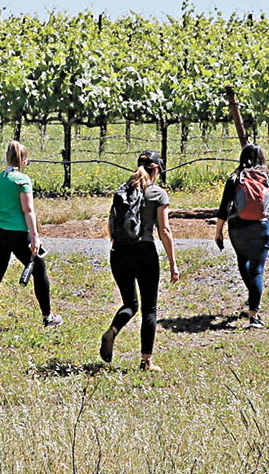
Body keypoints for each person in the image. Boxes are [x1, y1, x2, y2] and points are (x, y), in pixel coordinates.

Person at [98, 149, 175, 372]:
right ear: (157, 169)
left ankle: (113, 330)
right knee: (149, 309)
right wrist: (173, 263)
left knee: (130, 304)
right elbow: (165, 230)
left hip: (119, 251)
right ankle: (146, 361)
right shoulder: (158, 194)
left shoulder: (123, 190)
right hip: (145, 252)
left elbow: (112, 223)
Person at [0, 141, 60, 331]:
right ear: (23, 159)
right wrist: (35, 237)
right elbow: (28, 210)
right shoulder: (23, 180)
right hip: (17, 233)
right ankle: (48, 317)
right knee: (39, 269)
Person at [213, 141, 269, 328]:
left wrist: (218, 232)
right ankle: (254, 313)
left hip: (237, 227)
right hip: (262, 228)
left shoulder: (235, 178)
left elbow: (224, 208)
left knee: (243, 261)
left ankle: (252, 296)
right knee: (257, 269)